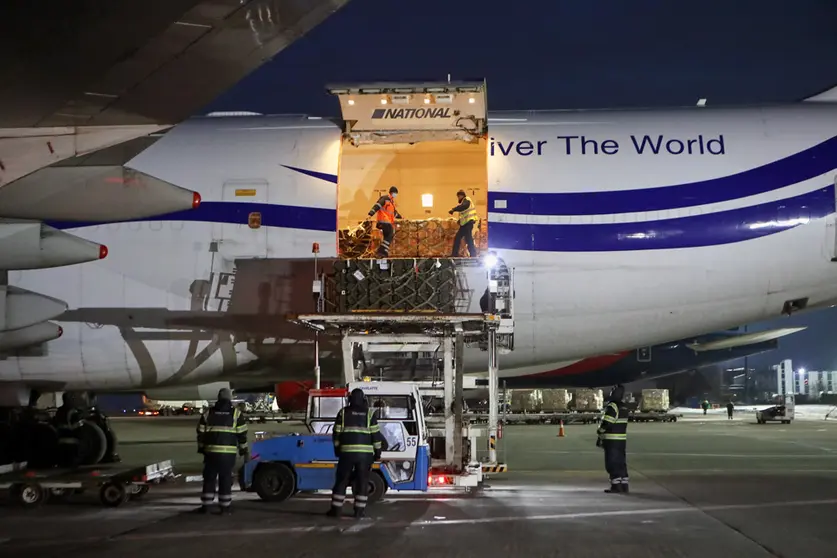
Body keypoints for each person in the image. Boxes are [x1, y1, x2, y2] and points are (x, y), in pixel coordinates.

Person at [327, 388, 386, 519]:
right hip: (365, 456)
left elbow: (336, 433)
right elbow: (375, 435)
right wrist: (378, 452)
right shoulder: (369, 414)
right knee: (362, 482)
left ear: (350, 399)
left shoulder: (343, 413)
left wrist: (337, 449)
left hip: (346, 453)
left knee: (342, 480)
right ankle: (359, 512)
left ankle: (336, 510)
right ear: (363, 399)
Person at [196, 387, 248, 515]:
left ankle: (206, 506)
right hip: (228, 454)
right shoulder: (236, 414)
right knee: (225, 479)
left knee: (209, 479)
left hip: (211, 453)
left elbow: (200, 432)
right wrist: (244, 451)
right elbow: (242, 435)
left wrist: (202, 448)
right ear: (230, 398)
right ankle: (224, 508)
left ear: (218, 398)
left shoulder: (208, 413)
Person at [596, 384, 629, 493]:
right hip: (621, 440)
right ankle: (624, 485)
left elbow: (608, 422)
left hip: (611, 440)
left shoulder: (612, 406)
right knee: (621, 463)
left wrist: (600, 431)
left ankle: (616, 486)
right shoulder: (623, 407)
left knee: (612, 463)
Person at [367, 186, 401, 258]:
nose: (395, 195)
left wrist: (401, 217)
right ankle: (380, 251)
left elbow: (394, 213)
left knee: (387, 237)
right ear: (392, 192)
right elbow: (377, 205)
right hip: (384, 221)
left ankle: (384, 252)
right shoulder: (385, 199)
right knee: (390, 234)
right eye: (395, 193)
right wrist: (370, 214)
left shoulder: (392, 202)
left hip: (388, 222)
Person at [449, 189, 479, 257]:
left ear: (461, 195)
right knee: (463, 238)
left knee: (466, 239)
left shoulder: (467, 200)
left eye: (458, 196)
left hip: (468, 224)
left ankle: (472, 254)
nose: (458, 198)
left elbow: (464, 207)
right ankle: (455, 254)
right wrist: (459, 221)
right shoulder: (464, 202)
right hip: (465, 224)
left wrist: (453, 209)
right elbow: (465, 213)